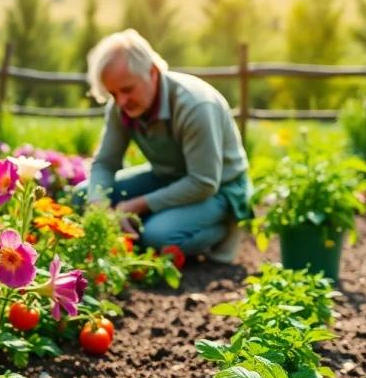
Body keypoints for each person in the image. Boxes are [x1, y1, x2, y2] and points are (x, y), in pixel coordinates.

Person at [73, 29, 251, 262]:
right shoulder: (120, 106)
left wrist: (135, 206)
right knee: (82, 195)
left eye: (127, 89)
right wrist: (100, 207)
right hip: (168, 177)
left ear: (153, 72)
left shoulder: (195, 106)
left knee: (157, 236)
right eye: (112, 93)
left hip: (221, 188)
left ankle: (225, 228)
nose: (121, 101)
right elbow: (105, 163)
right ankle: (155, 225)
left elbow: (204, 182)